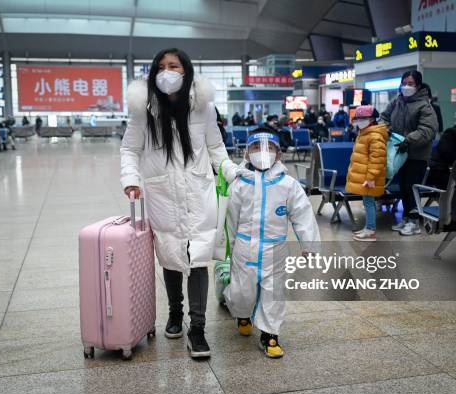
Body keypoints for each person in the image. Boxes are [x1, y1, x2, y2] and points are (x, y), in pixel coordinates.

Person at [120, 48, 239, 359]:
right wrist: (130, 179)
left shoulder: (203, 109)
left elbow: (216, 148)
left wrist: (231, 171)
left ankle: (197, 329)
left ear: (186, 71)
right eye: (160, 66)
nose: (166, 72)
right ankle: (175, 313)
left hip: (199, 193)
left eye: (173, 66)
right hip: (162, 195)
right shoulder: (143, 110)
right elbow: (129, 150)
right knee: (171, 254)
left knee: (198, 256)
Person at [224, 129, 320, 358]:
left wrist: (310, 245)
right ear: (246, 153)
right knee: (241, 292)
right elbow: (230, 220)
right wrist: (229, 247)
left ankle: (270, 334)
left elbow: (303, 214)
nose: (263, 153)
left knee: (273, 293)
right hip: (244, 249)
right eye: (257, 147)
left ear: (279, 154)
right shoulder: (239, 184)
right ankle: (243, 314)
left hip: (275, 250)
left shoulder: (288, 185)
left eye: (270, 148)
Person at [380, 70, 438, 236]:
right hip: (398, 154)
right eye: (404, 83)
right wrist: (386, 130)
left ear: (418, 86)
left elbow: (428, 130)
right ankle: (405, 218)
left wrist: (408, 140)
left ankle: (414, 221)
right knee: (404, 187)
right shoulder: (397, 102)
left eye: (410, 84)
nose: (406, 86)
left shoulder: (424, 106)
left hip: (416, 155)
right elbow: (384, 118)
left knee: (412, 188)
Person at [345, 106, 389, 242]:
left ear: (372, 119)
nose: (359, 121)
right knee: (367, 202)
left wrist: (371, 177)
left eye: (362, 118)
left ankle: (370, 231)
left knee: (369, 203)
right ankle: (368, 228)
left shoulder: (374, 136)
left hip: (370, 178)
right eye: (357, 118)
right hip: (366, 177)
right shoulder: (364, 133)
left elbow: (377, 159)